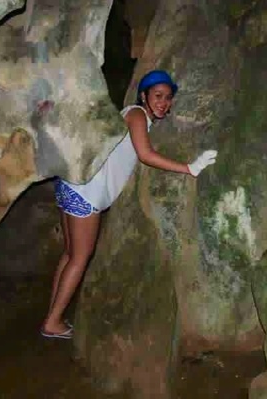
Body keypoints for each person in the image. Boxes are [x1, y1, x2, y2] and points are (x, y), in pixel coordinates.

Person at [40, 70, 217, 339]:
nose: (163, 102)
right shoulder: (136, 114)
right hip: (87, 192)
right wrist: (188, 168)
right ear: (144, 96)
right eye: (158, 96)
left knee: (70, 254)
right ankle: (52, 322)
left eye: (168, 97)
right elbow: (145, 154)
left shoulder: (135, 116)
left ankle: (53, 315)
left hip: (72, 185)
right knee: (80, 257)